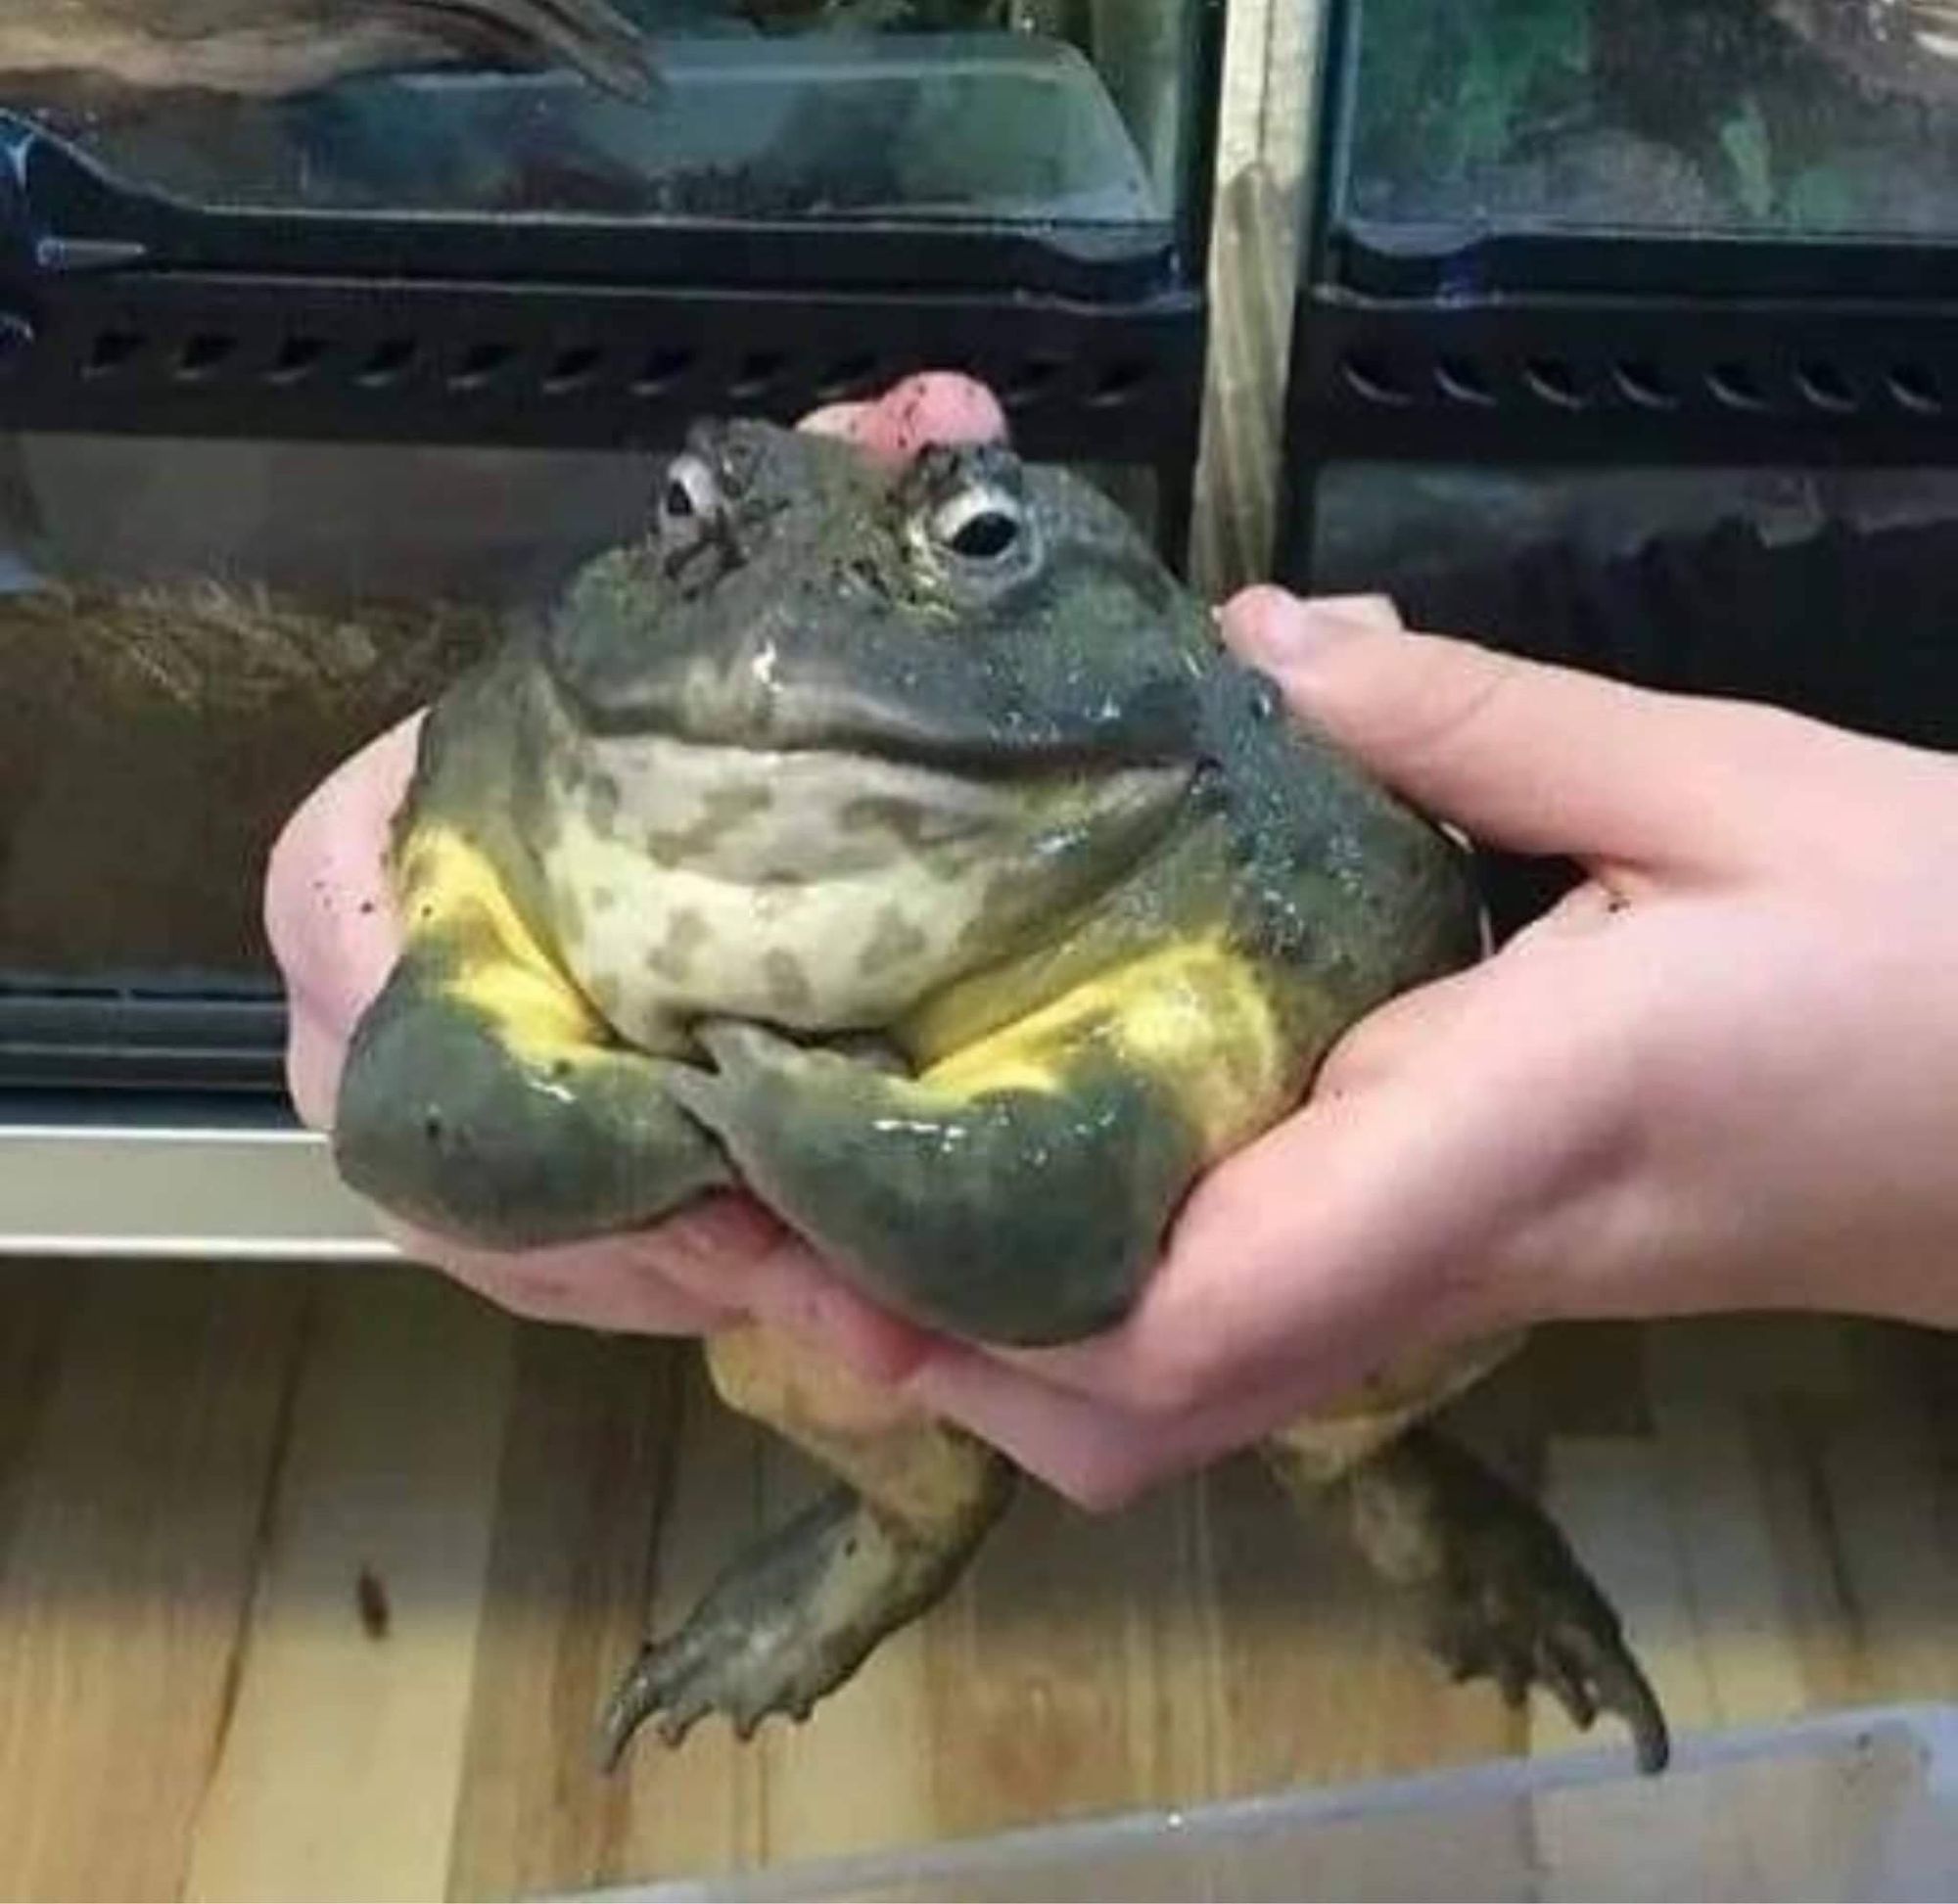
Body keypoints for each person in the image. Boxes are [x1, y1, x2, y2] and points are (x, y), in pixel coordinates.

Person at [264, 371, 1958, 1514]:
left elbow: (1047, 1209)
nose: (779, 647)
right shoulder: (549, 730)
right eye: (699, 519)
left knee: (1318, 1407)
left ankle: (1380, 1493)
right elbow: (424, 1091)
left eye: (980, 546)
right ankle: (915, 1526)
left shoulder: (1190, 866)